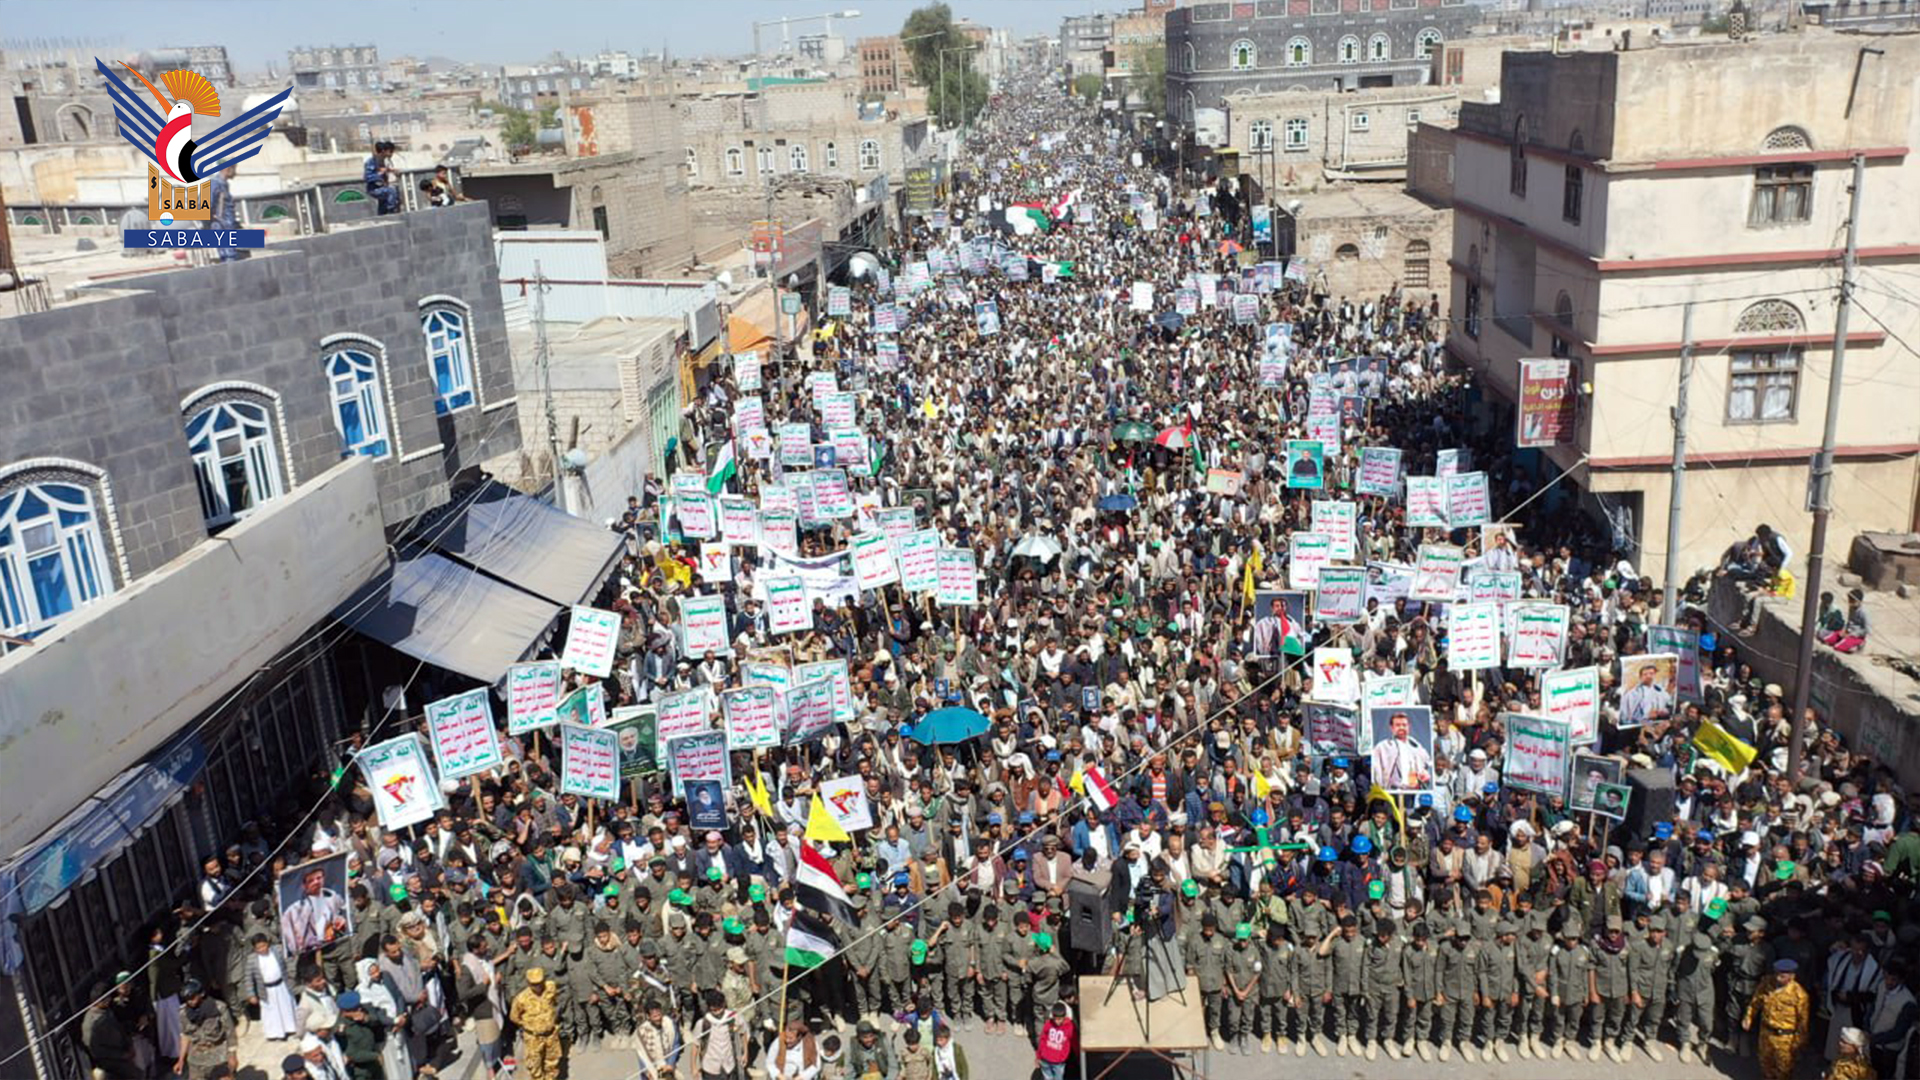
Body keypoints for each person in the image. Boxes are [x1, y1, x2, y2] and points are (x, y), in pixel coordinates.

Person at [1745, 958, 1812, 1080]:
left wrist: (1797, 1045)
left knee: (1783, 1071)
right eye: (1776, 973)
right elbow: (1756, 1002)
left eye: (1782, 975)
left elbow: (1803, 1022)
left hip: (1785, 1039)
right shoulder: (1766, 983)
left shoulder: (1799, 994)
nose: (1777, 977)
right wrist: (1748, 1017)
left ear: (1792, 976)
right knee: (1765, 1066)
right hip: (1766, 1033)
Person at [510, 967, 563, 1080]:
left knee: (552, 1063)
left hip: (550, 1035)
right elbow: (514, 1017)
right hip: (533, 1037)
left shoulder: (550, 987)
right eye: (534, 984)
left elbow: (556, 1000)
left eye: (540, 982)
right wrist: (529, 1025)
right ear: (528, 983)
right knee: (534, 1066)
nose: (538, 986)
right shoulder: (521, 998)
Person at [281, 866, 349, 954]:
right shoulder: (295, 910)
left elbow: (345, 914)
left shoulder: (334, 898)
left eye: (319, 878)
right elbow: (293, 940)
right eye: (311, 881)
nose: (316, 882)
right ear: (304, 886)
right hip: (315, 952)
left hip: (338, 944)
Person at [1368, 711, 1432, 790]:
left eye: (1404, 725)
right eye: (1398, 725)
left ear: (1409, 726)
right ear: (1392, 728)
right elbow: (1376, 772)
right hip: (1392, 791)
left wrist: (1424, 774)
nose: (1401, 727)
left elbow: (1428, 765)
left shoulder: (1417, 747)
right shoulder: (1382, 747)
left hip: (1413, 791)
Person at [1820, 589, 1870, 653]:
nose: (1850, 602)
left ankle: (1857, 645)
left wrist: (1853, 634)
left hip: (1856, 636)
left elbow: (1867, 630)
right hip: (1848, 632)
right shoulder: (1851, 608)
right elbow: (1849, 622)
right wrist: (1844, 630)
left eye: (1852, 600)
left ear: (1858, 601)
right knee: (1826, 640)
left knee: (1837, 647)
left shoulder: (1863, 612)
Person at [1035, 1001, 1075, 1080]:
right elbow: (1042, 1039)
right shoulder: (1048, 1024)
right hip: (1045, 1059)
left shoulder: (1069, 1027)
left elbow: (1072, 1040)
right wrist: (1038, 1056)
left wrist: (1064, 1056)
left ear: (1064, 1017)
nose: (1057, 1021)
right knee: (1047, 1077)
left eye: (1059, 1019)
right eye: (1055, 1019)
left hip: (1058, 1062)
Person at [363, 141, 399, 215]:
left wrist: (391, 171)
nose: (391, 154)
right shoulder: (371, 162)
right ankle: (391, 211)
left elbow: (384, 169)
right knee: (392, 191)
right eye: (390, 151)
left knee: (383, 204)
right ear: (383, 151)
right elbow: (368, 177)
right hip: (374, 188)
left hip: (382, 187)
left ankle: (382, 216)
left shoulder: (384, 161)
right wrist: (379, 174)